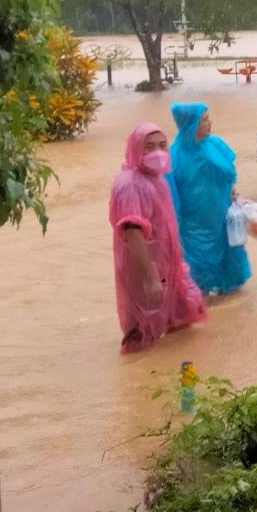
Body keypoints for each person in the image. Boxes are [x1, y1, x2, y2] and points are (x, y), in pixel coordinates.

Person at [108, 123, 208, 353]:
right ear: (135, 150)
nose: (158, 153)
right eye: (149, 147)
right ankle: (138, 382)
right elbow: (132, 230)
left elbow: (166, 223)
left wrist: (178, 256)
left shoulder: (157, 179)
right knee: (143, 331)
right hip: (146, 268)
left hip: (168, 265)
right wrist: (150, 278)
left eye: (163, 146)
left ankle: (177, 372)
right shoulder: (130, 184)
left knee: (182, 318)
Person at [170, 102, 252, 297]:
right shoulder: (175, 157)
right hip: (194, 228)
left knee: (230, 263)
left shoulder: (216, 145)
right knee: (199, 274)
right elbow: (172, 197)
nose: (210, 123)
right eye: (204, 120)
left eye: (208, 118)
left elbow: (228, 178)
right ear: (191, 124)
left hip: (222, 217)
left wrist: (235, 196)